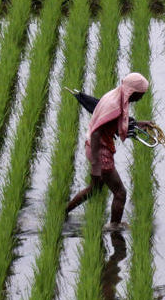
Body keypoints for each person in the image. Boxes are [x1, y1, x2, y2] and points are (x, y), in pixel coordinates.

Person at [64, 72, 152, 229]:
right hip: (100, 151)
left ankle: (63, 212)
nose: (141, 97)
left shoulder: (117, 95)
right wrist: (96, 164)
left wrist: (138, 124)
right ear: (133, 91)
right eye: (141, 94)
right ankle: (114, 227)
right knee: (120, 193)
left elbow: (114, 123)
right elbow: (97, 132)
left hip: (95, 146)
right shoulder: (114, 105)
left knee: (94, 188)